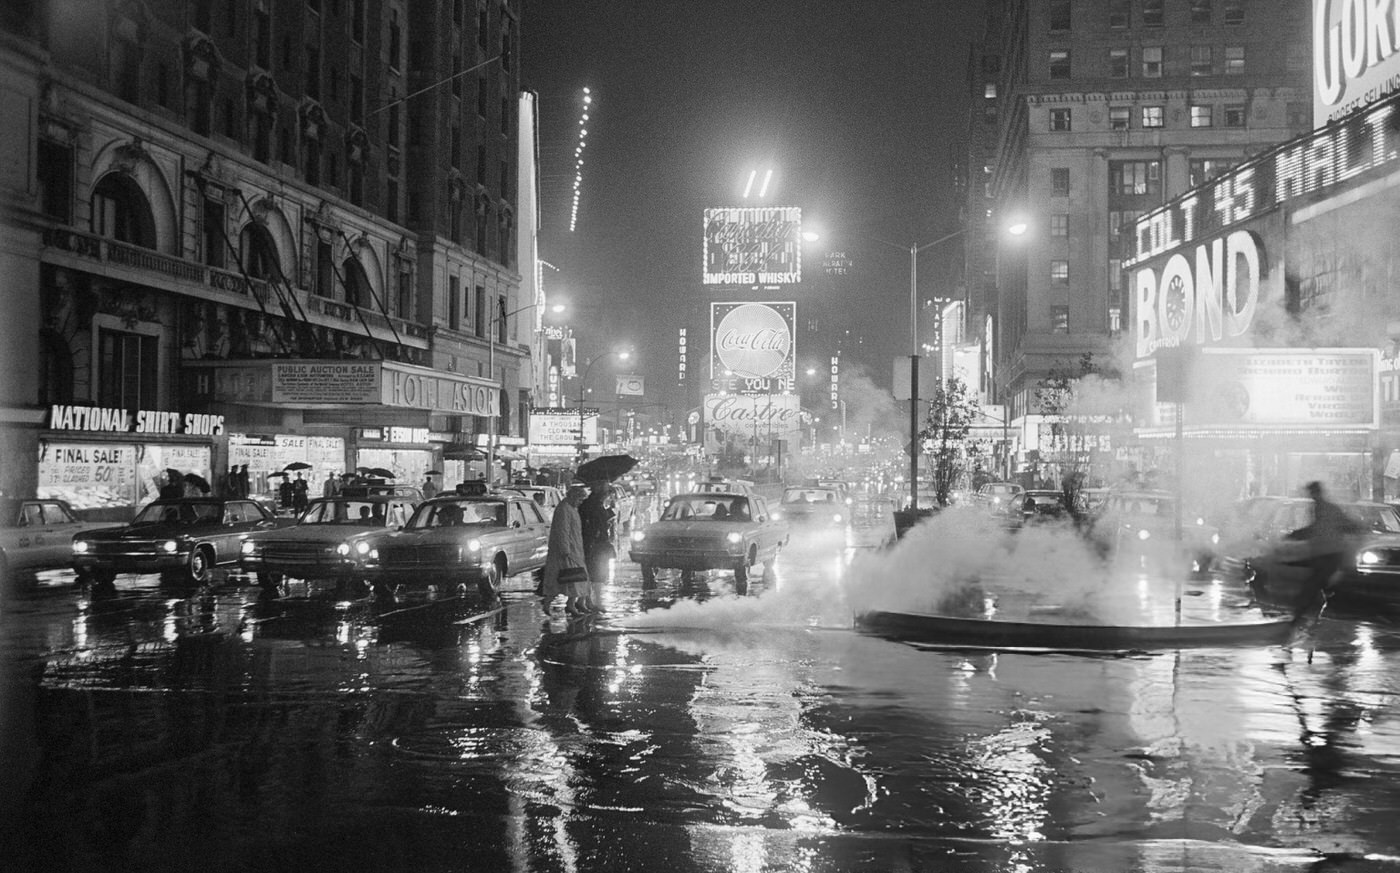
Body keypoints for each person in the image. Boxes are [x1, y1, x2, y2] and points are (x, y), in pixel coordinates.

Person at [1286, 481, 1366, 619]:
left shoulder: (1324, 509)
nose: (1311, 496)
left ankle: (1296, 620)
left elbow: (1317, 529)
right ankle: (1312, 616)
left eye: (1311, 493)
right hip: (1324, 554)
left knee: (1311, 586)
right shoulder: (1323, 508)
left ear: (1316, 493)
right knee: (1318, 586)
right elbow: (1346, 525)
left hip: (1328, 555)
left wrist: (1294, 535)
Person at [540, 482, 592, 616]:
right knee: (565, 579)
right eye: (580, 499)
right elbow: (563, 530)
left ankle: (573, 603)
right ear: (574, 497)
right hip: (566, 551)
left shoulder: (571, 508)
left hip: (574, 548)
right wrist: (565, 549)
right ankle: (552, 604)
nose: (580, 502)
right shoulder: (564, 509)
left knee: (577, 578)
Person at [578, 480, 615, 612]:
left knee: (595, 573)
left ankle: (589, 601)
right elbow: (594, 524)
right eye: (606, 491)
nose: (607, 494)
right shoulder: (592, 504)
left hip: (596, 543)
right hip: (595, 544)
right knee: (596, 573)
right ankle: (594, 601)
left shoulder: (596, 504)